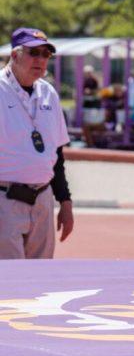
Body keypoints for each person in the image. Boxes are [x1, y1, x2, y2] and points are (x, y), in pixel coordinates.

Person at [0, 28, 74, 258]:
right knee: (9, 281)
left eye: (46, 54)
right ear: (15, 56)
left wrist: (65, 201)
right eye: (34, 53)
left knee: (39, 282)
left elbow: (56, 154)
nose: (41, 60)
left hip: (43, 199)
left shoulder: (49, 93)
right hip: (5, 200)